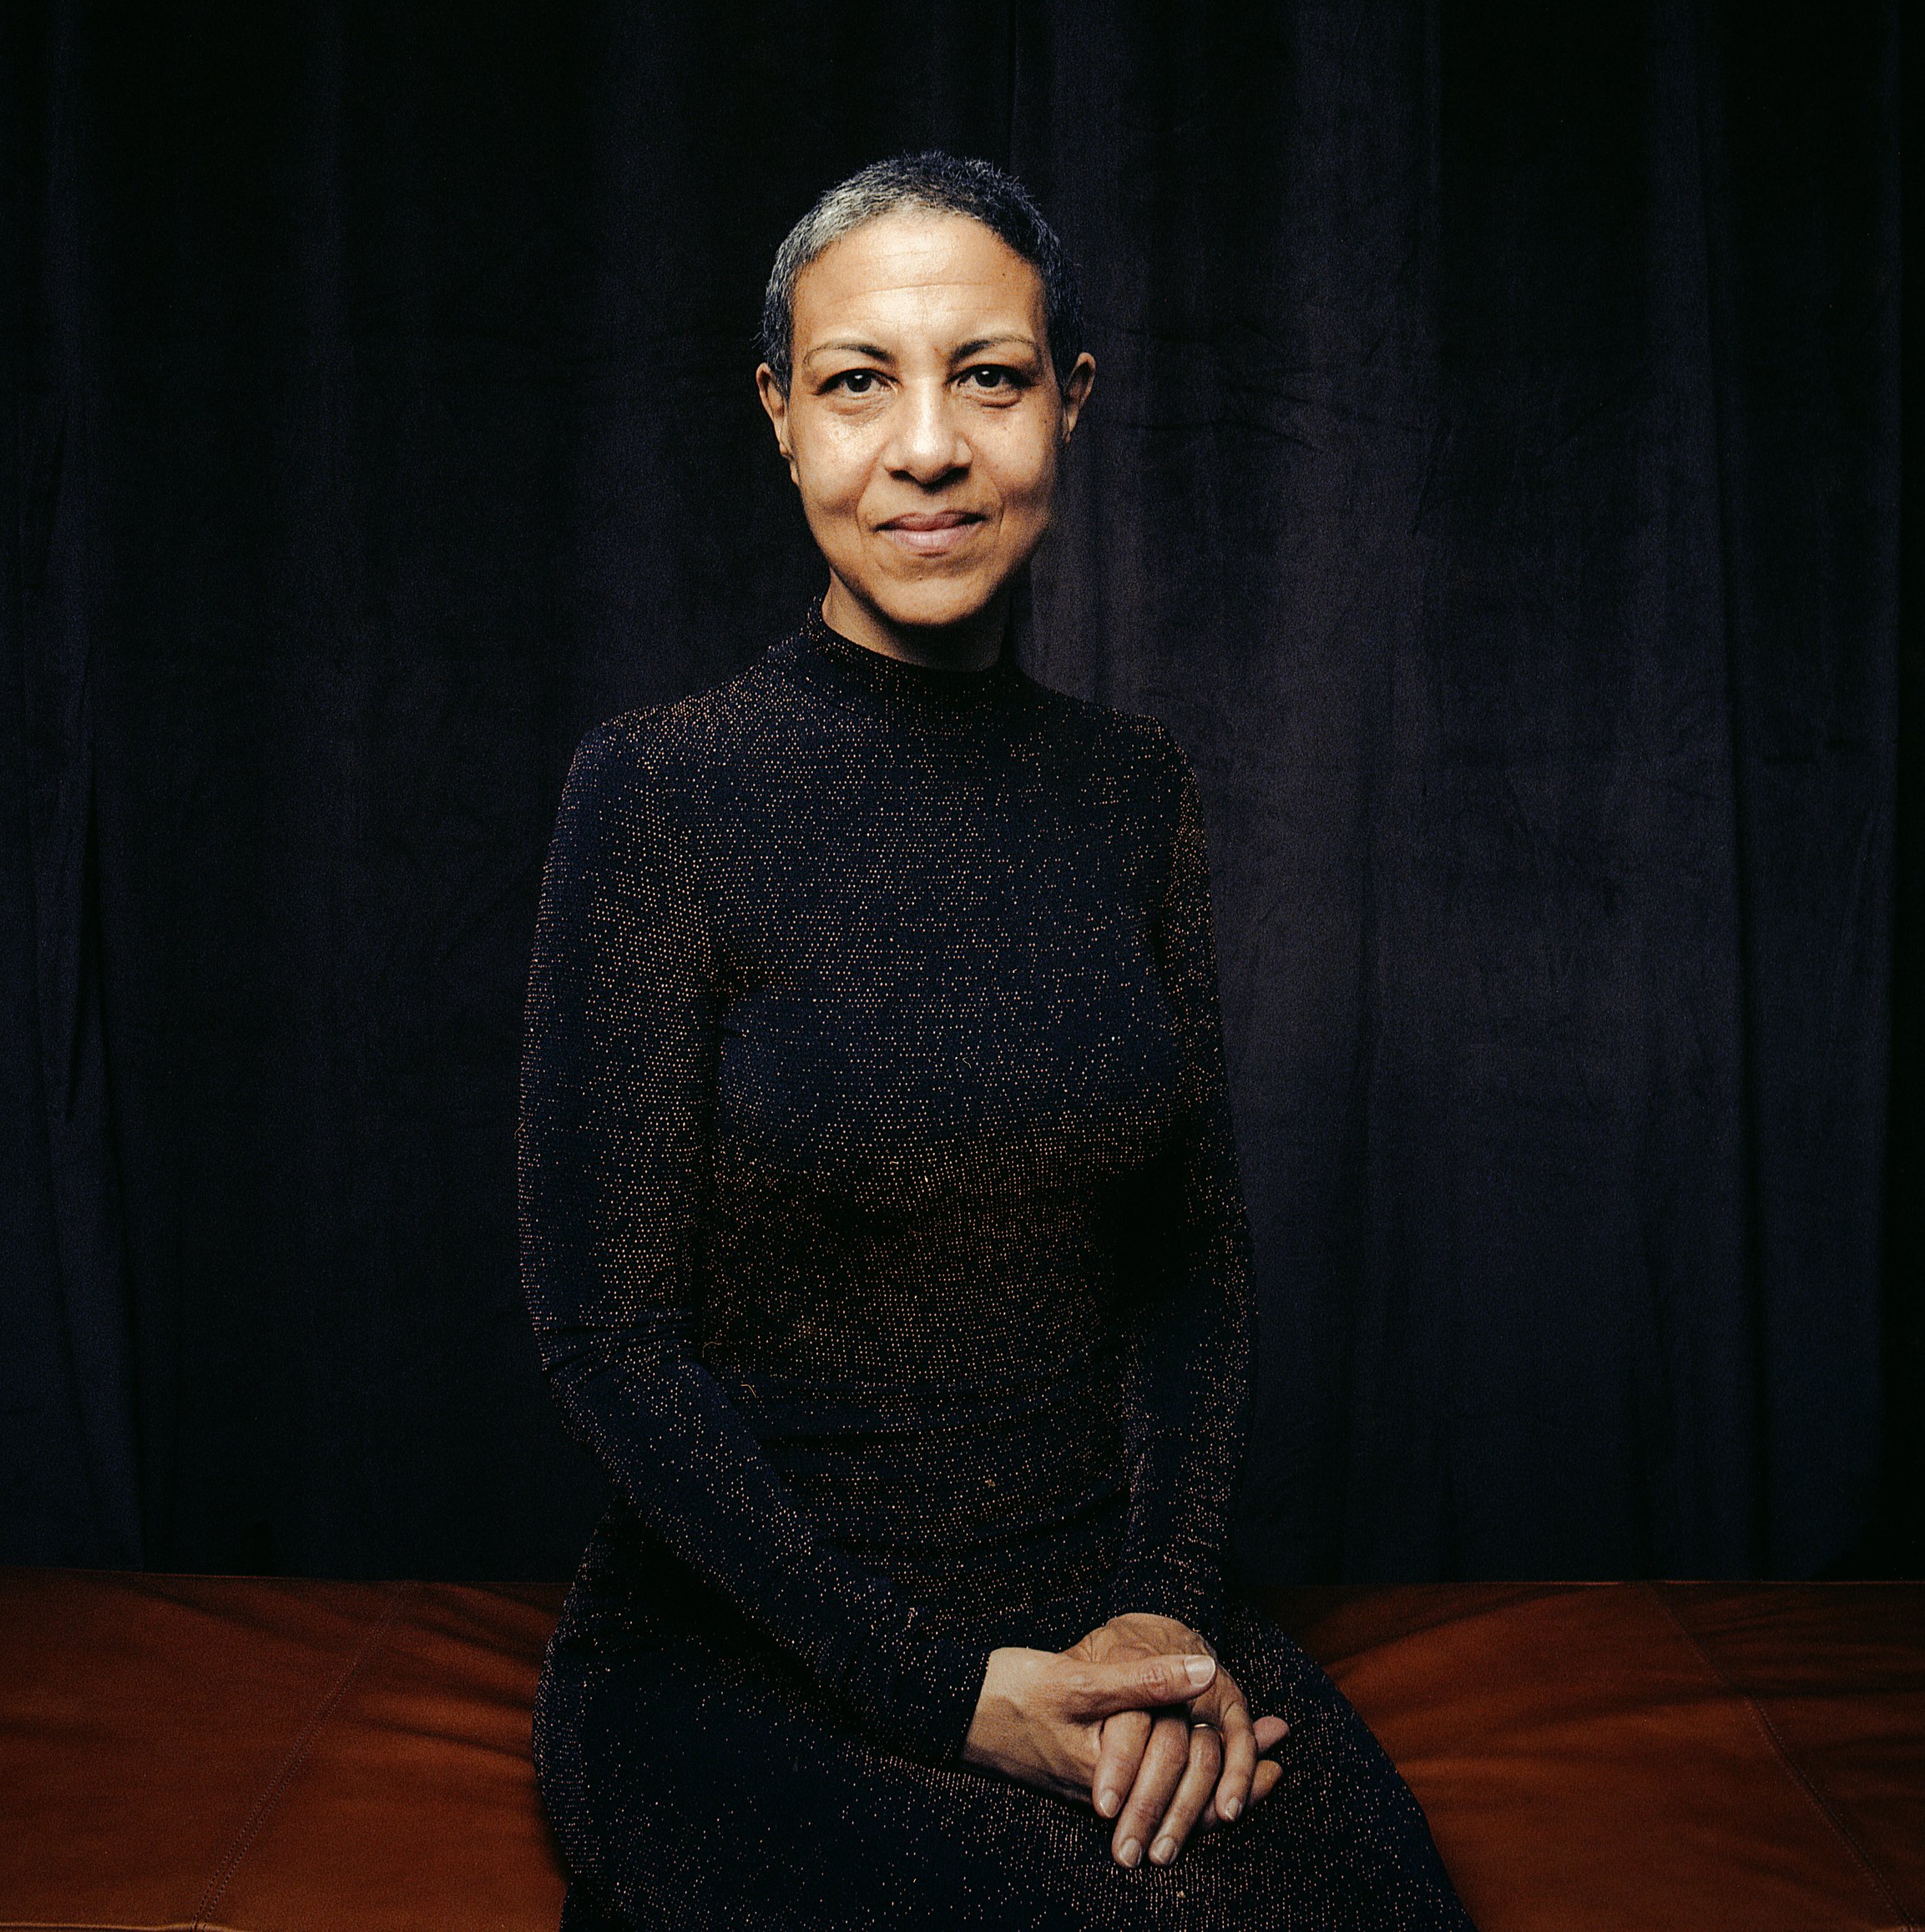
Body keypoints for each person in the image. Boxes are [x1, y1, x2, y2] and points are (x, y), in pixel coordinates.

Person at [518, 153, 1475, 1931]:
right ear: (779, 416)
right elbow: (606, 1336)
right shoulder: (658, 792)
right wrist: (948, 1695)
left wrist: (1160, 1614)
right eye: (856, 381)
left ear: (1068, 402)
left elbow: (1190, 1267)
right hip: (756, 1644)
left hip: (1096, 1600)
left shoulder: (1131, 790)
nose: (927, 447)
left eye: (988, 375)